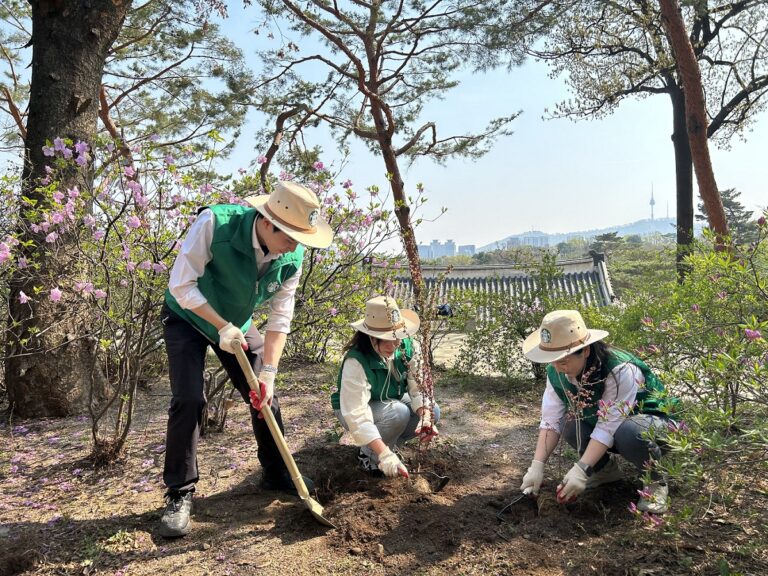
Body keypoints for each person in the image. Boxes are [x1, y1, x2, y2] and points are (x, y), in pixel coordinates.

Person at [158, 181, 334, 538]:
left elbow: (280, 319)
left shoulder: (291, 256)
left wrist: (268, 372)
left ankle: (277, 471)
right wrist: (220, 326)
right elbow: (181, 284)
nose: (295, 247)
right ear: (268, 223)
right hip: (187, 315)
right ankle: (180, 491)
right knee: (189, 399)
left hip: (236, 323)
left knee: (265, 395)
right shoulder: (214, 224)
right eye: (290, 238)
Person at [518, 310, 679, 514]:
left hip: (655, 425)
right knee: (569, 422)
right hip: (614, 427)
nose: (557, 368)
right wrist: (537, 465)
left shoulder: (620, 369)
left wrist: (581, 468)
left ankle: (655, 481)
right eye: (553, 360)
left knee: (629, 432)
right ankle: (604, 470)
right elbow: (551, 421)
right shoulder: (556, 372)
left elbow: (608, 426)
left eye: (563, 361)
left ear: (585, 350)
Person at [331, 296, 440, 478]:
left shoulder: (407, 347)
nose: (393, 345)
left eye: (396, 338)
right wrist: (384, 454)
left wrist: (425, 418)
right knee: (398, 413)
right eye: (386, 339)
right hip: (351, 409)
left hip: (389, 400)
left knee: (433, 410)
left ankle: (390, 447)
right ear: (370, 336)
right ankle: (370, 457)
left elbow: (419, 389)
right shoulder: (356, 360)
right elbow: (356, 413)